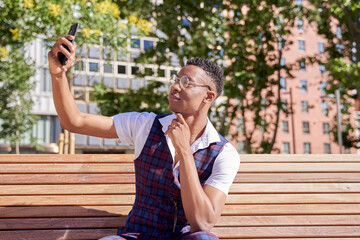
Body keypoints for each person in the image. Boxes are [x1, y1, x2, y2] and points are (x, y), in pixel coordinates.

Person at [48, 35, 240, 240]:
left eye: (186, 82)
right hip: (139, 235)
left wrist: (184, 150)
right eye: (176, 80)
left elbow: (202, 222)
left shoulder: (224, 154)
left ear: (208, 96)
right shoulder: (146, 125)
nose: (175, 87)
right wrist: (58, 75)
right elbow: (74, 121)